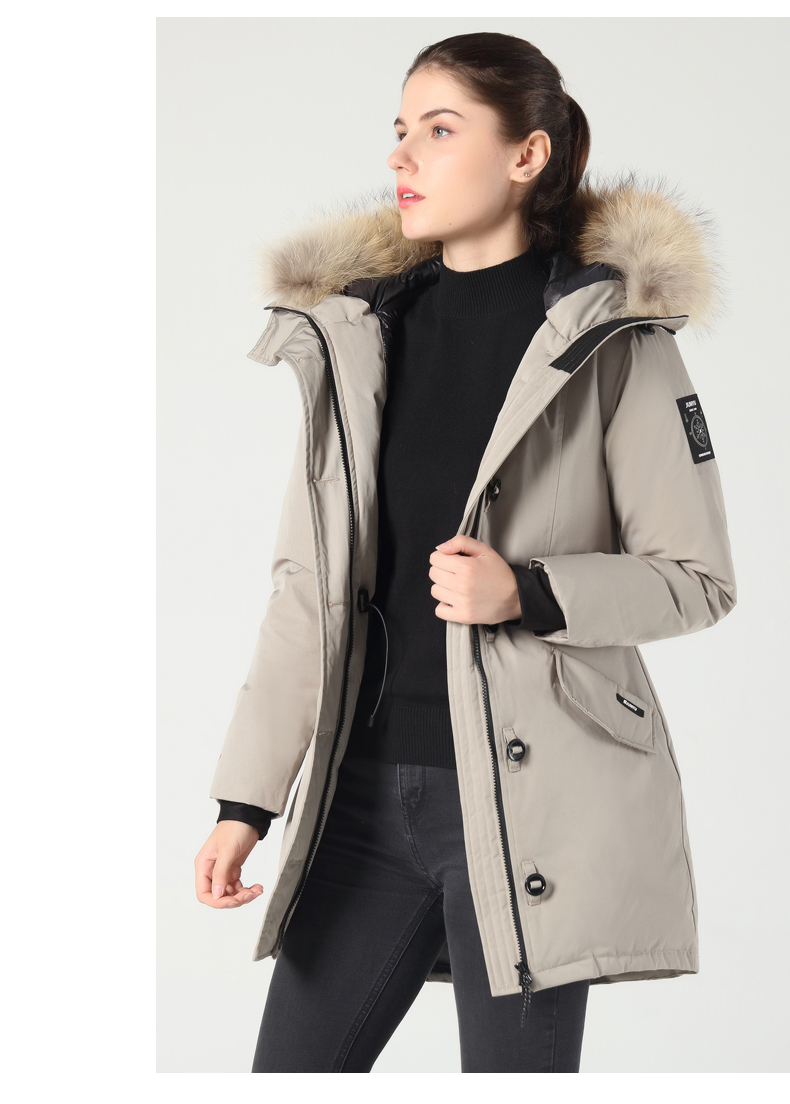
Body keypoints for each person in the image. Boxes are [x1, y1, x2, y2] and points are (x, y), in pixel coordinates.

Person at [193, 32, 737, 1073]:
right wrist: (246, 801)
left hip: (534, 809)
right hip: (358, 804)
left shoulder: (616, 345)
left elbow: (697, 580)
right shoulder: (356, 337)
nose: (401, 156)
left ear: (526, 154)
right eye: (399, 131)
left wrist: (527, 591)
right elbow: (307, 589)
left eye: (439, 131)